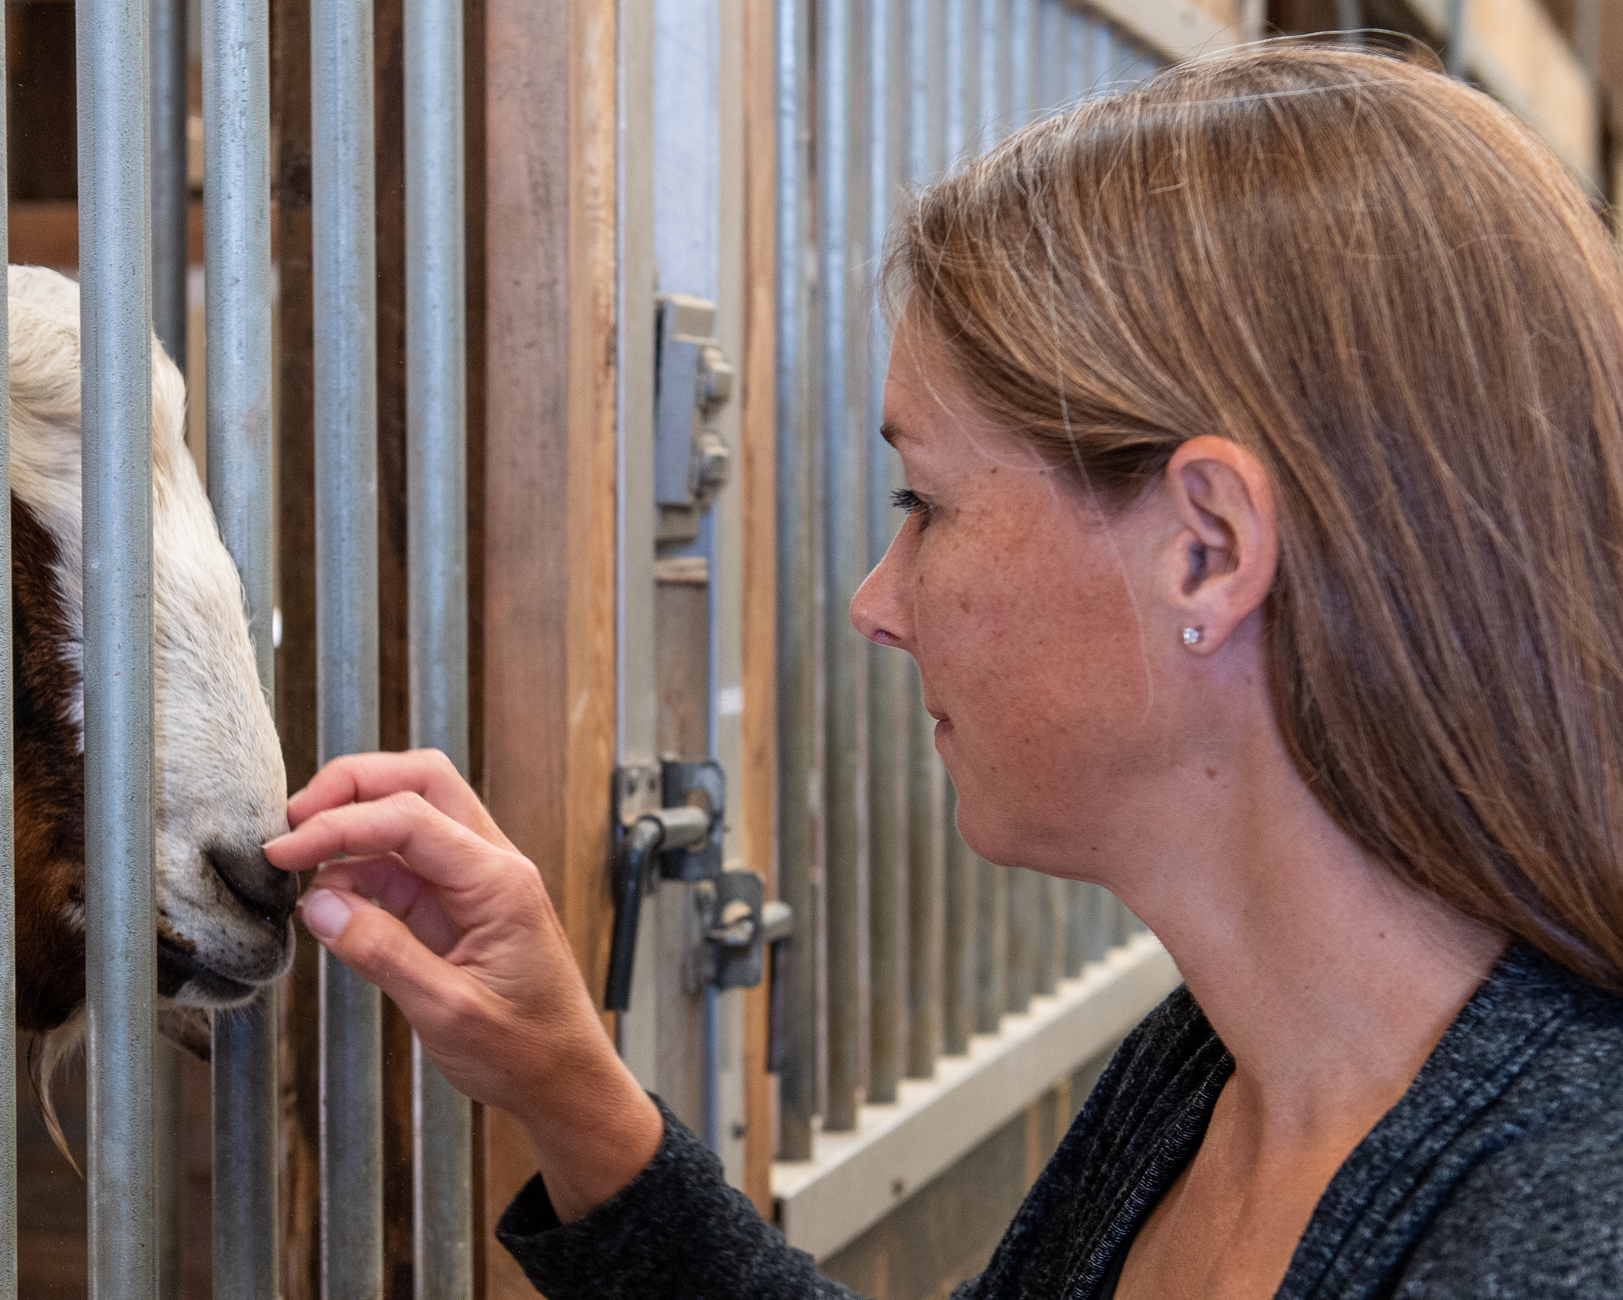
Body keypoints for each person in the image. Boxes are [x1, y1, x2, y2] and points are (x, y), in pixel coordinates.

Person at [263, 43, 1623, 1300]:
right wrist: (568, 1088)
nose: (875, 602)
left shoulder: (1560, 1226)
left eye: (927, 502)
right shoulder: (1225, 1065)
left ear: (1208, 549)